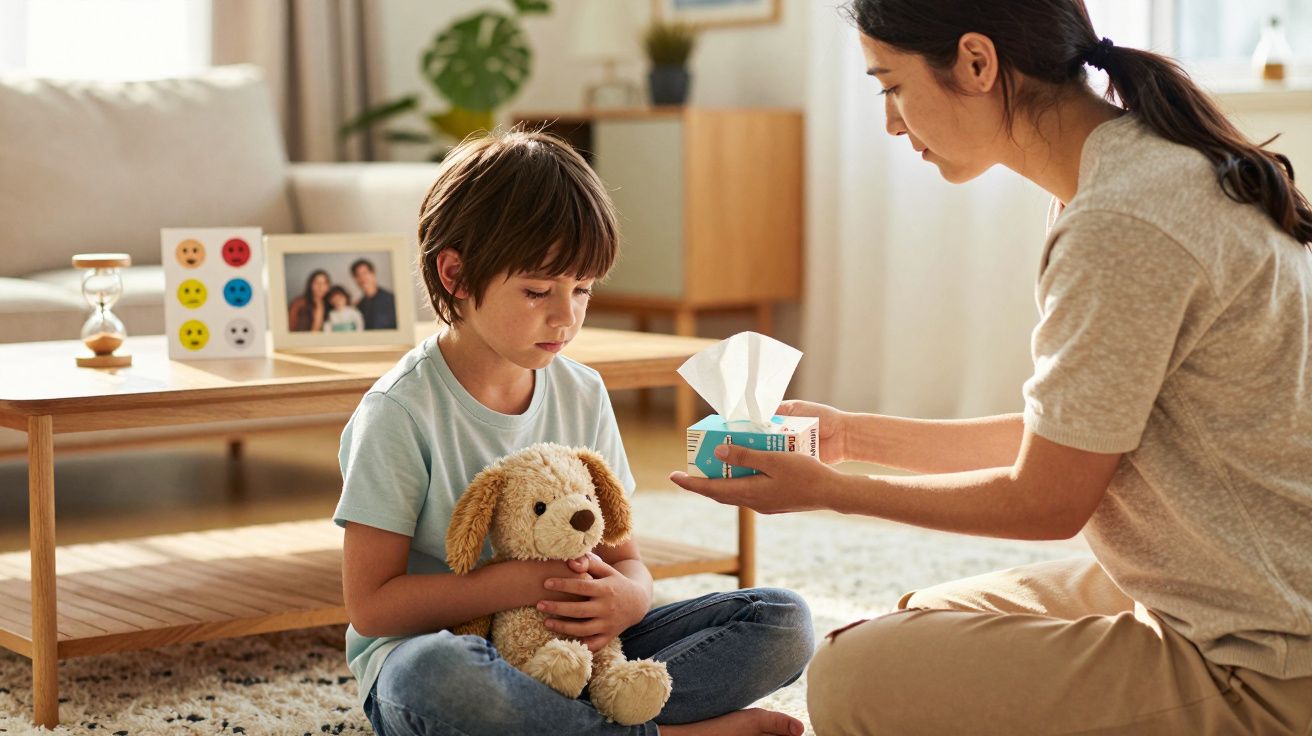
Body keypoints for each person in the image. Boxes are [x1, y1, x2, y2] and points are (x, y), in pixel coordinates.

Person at [670, 1, 1312, 733]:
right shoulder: (1136, 170)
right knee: (921, 620)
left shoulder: (1121, 220)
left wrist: (834, 492)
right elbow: (1072, 440)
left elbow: (1047, 499)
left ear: (978, 62)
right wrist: (851, 436)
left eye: (892, 86)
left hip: (1264, 660)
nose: (890, 121)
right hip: (1228, 585)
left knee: (855, 676)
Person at [334, 130, 814, 736]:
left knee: (780, 621)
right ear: (455, 275)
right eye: (538, 291)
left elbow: (625, 560)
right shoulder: (399, 412)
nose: (566, 316)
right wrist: (515, 584)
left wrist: (631, 598)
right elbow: (372, 606)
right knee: (437, 676)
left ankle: (572, 726)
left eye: (581, 289)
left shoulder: (582, 392)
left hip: (578, 652)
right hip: (445, 652)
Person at [351, 257, 397, 330]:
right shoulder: (359, 306)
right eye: (358, 275)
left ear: (373, 273)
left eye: (365, 273)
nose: (362, 278)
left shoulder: (391, 299)